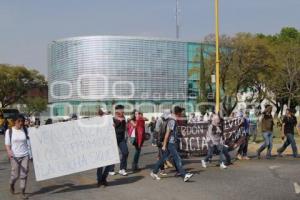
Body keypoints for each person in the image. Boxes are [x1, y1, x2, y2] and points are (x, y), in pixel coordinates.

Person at [151, 106, 193, 182]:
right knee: (177, 158)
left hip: (172, 142)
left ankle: (154, 172)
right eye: (181, 113)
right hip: (171, 143)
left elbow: (173, 132)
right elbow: (167, 133)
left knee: (163, 158)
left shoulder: (173, 120)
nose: (182, 115)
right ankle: (184, 175)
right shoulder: (172, 121)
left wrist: (181, 134)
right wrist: (164, 144)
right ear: (178, 113)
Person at [5, 114, 31, 199]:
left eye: (22, 121)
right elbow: (7, 145)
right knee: (15, 175)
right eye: (19, 121)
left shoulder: (26, 130)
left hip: (25, 155)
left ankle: (22, 192)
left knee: (24, 174)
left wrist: (37, 128)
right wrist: (9, 151)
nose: (21, 123)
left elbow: (34, 136)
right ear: (14, 122)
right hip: (14, 156)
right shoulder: (9, 131)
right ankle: (11, 184)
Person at [110, 105, 129, 176]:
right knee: (113, 154)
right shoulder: (112, 119)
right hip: (113, 138)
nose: (123, 111)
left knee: (125, 152)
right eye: (122, 110)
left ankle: (122, 169)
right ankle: (111, 169)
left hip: (121, 138)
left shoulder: (124, 118)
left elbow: (125, 128)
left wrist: (127, 136)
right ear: (117, 111)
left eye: (123, 110)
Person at [96, 108, 113, 187]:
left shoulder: (109, 121)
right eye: (104, 113)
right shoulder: (96, 121)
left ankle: (103, 178)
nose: (106, 115)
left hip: (108, 144)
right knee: (100, 164)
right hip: (99, 145)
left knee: (110, 163)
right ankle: (99, 180)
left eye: (106, 114)